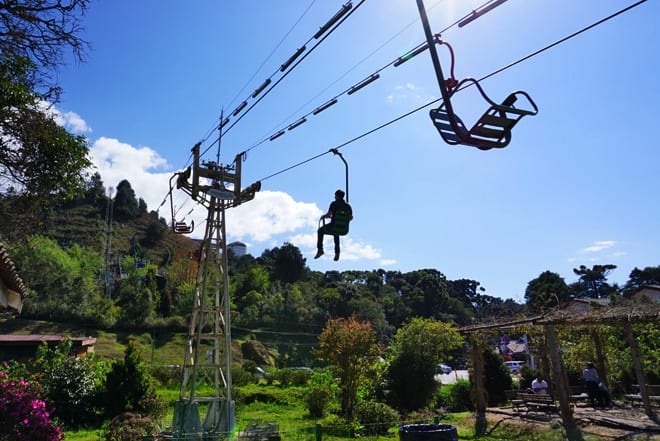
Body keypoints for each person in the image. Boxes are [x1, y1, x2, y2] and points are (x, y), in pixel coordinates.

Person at [314, 189, 353, 261]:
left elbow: (329, 215)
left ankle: (320, 250)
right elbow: (351, 218)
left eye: (335, 196)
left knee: (320, 231)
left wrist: (324, 216)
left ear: (337, 196)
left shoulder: (334, 204)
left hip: (333, 226)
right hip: (344, 229)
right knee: (336, 233)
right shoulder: (348, 206)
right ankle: (337, 253)